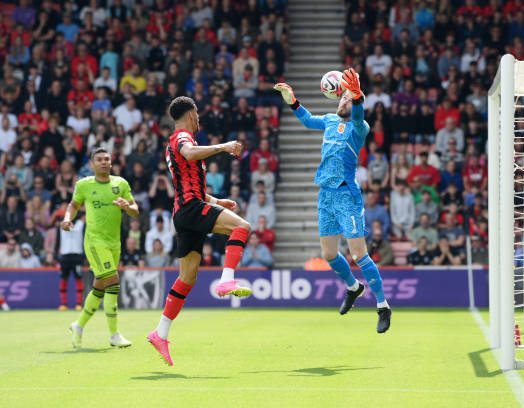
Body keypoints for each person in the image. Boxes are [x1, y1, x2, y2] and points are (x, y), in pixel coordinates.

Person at [274, 68, 391, 333]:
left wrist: (358, 97)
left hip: (346, 195)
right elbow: (306, 120)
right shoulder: (328, 120)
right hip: (325, 194)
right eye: (342, 97)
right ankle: (354, 287)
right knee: (328, 253)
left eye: (348, 99)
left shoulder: (359, 129)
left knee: (359, 254)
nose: (343, 101)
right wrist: (292, 100)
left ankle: (383, 306)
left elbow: (359, 115)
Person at [148, 96, 251, 366]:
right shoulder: (182, 137)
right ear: (191, 114)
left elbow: (190, 183)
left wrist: (217, 201)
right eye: (197, 113)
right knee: (242, 226)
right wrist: (224, 146)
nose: (199, 119)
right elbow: (190, 154)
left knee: (187, 277)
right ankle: (227, 279)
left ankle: (160, 333)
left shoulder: (181, 141)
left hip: (186, 210)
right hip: (190, 209)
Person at [62, 147, 139, 349]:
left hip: (115, 242)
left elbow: (135, 211)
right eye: (99, 159)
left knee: (100, 287)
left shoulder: (120, 184)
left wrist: (127, 207)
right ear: (92, 164)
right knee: (113, 281)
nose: (104, 162)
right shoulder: (84, 185)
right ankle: (114, 334)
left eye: (107, 159)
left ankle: (78, 326)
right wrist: (67, 218)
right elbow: (73, 205)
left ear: (111, 163)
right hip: (95, 242)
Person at [58, 214, 85, 311]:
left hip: (77, 255)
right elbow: (58, 240)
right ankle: (63, 304)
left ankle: (79, 304)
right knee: (63, 279)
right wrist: (56, 254)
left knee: (78, 278)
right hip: (65, 255)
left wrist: (85, 255)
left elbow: (86, 238)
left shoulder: (82, 224)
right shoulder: (61, 224)